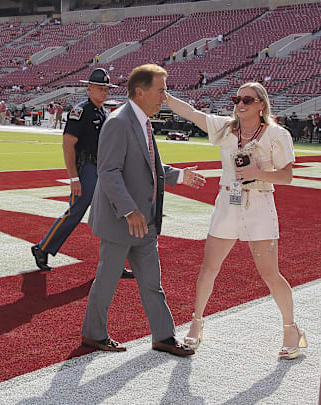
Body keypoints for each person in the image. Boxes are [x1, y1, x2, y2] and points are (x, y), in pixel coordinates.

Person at [164, 82, 308, 360]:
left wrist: (257, 172)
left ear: (261, 105)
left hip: (259, 204)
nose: (240, 104)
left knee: (269, 273)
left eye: (247, 100)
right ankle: (197, 323)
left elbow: (287, 176)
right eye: (237, 98)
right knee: (209, 267)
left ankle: (291, 329)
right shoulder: (226, 128)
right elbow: (193, 114)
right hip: (227, 203)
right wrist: (166, 96)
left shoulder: (277, 134)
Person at [81, 64, 206, 356]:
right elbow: (109, 172)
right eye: (160, 90)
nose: (165, 96)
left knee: (152, 283)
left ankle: (163, 336)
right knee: (107, 280)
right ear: (140, 92)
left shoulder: (143, 122)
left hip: (145, 220)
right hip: (121, 220)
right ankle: (93, 334)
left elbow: (150, 167)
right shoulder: (118, 122)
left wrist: (179, 176)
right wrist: (129, 210)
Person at [31, 69, 135, 278]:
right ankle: (43, 248)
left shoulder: (102, 112)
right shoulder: (81, 112)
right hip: (87, 168)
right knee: (76, 211)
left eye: (106, 89)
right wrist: (74, 178)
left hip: (104, 169)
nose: (104, 92)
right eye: (100, 88)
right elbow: (68, 145)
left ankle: (113, 263)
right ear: (89, 89)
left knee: (115, 215)